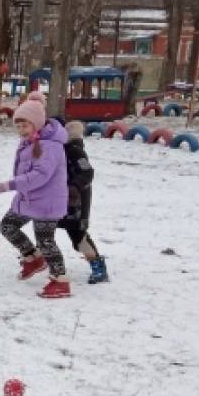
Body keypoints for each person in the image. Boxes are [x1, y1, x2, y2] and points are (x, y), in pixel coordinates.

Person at [0, 99, 72, 299]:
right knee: (7, 226)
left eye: (25, 125)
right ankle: (33, 259)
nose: (21, 130)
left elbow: (40, 175)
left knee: (45, 242)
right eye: (18, 126)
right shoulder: (30, 141)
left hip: (47, 202)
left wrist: (10, 185)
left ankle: (60, 281)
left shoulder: (50, 145)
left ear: (37, 123)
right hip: (29, 198)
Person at [58, 121, 109, 284]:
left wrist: (74, 187)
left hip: (77, 202)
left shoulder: (75, 151)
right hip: (63, 200)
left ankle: (98, 266)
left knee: (78, 236)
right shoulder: (63, 149)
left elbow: (87, 172)